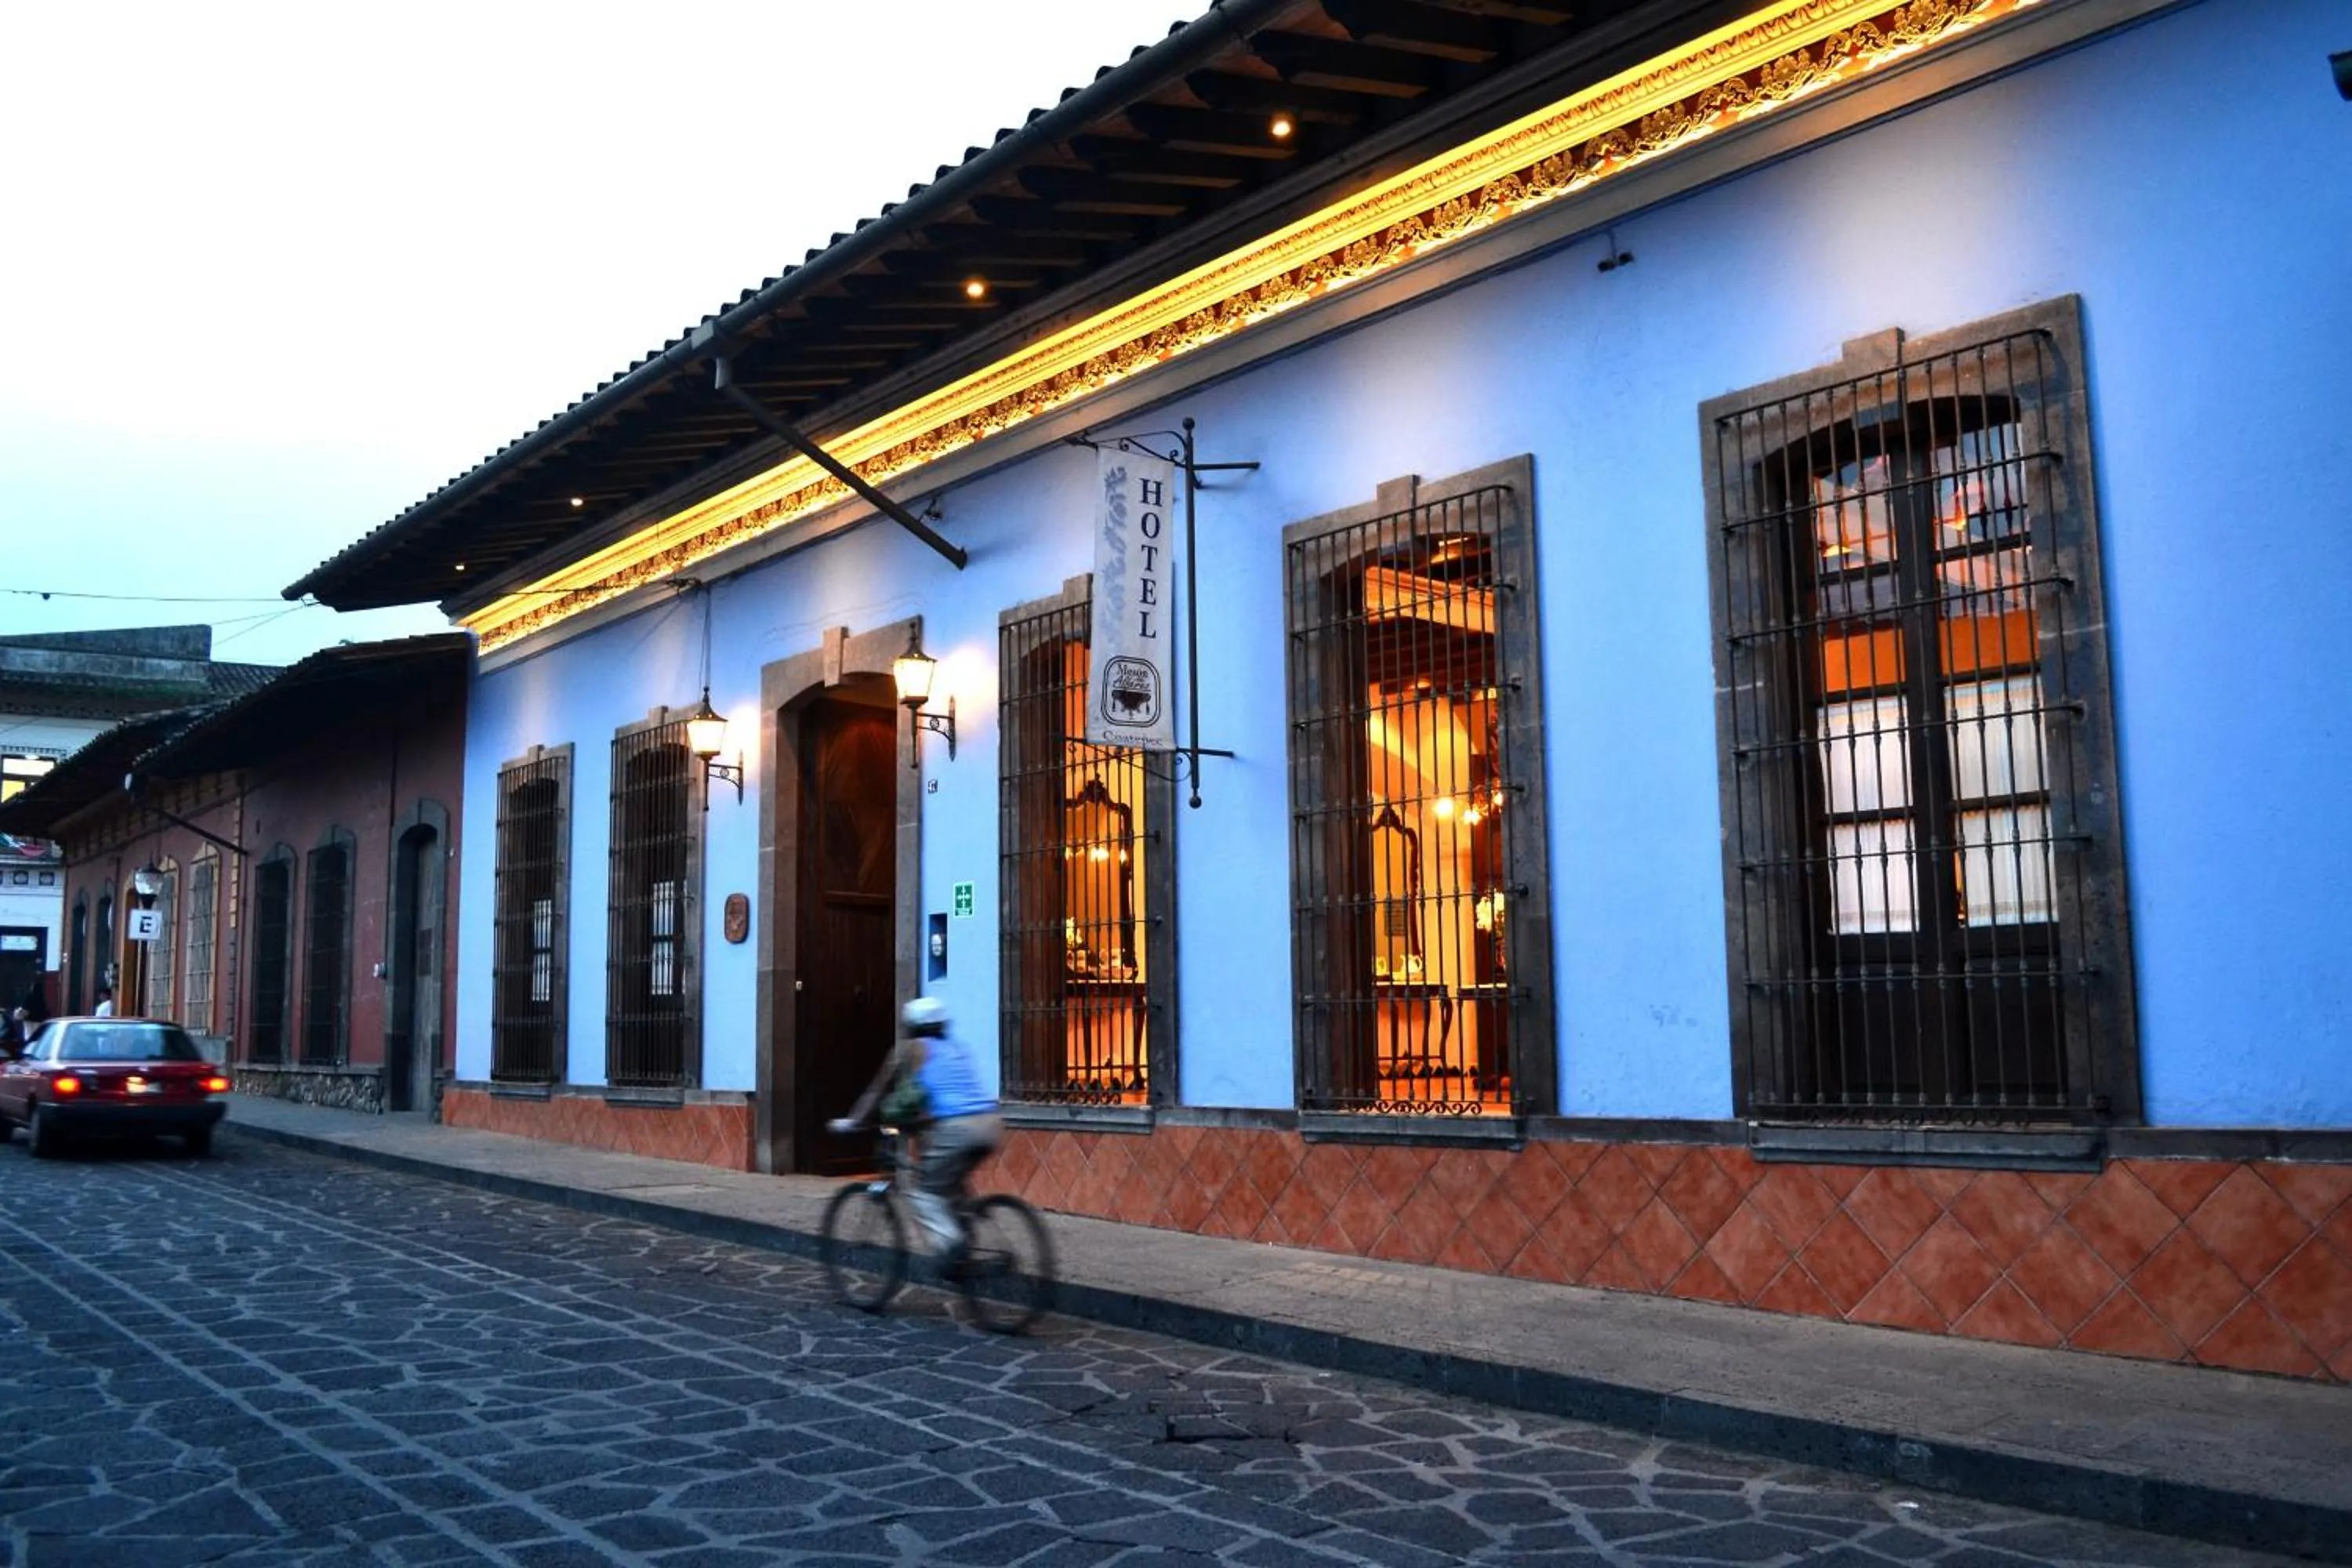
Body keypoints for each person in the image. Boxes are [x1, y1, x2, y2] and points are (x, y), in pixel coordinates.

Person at [831, 996, 1001, 1273]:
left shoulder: (910, 1050)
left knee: (924, 1193)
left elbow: (877, 1091)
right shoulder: (958, 1048)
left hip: (958, 1127)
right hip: (991, 1123)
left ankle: (952, 1245)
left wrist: (852, 1122)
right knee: (949, 1183)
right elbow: (942, 1093)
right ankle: (964, 1229)